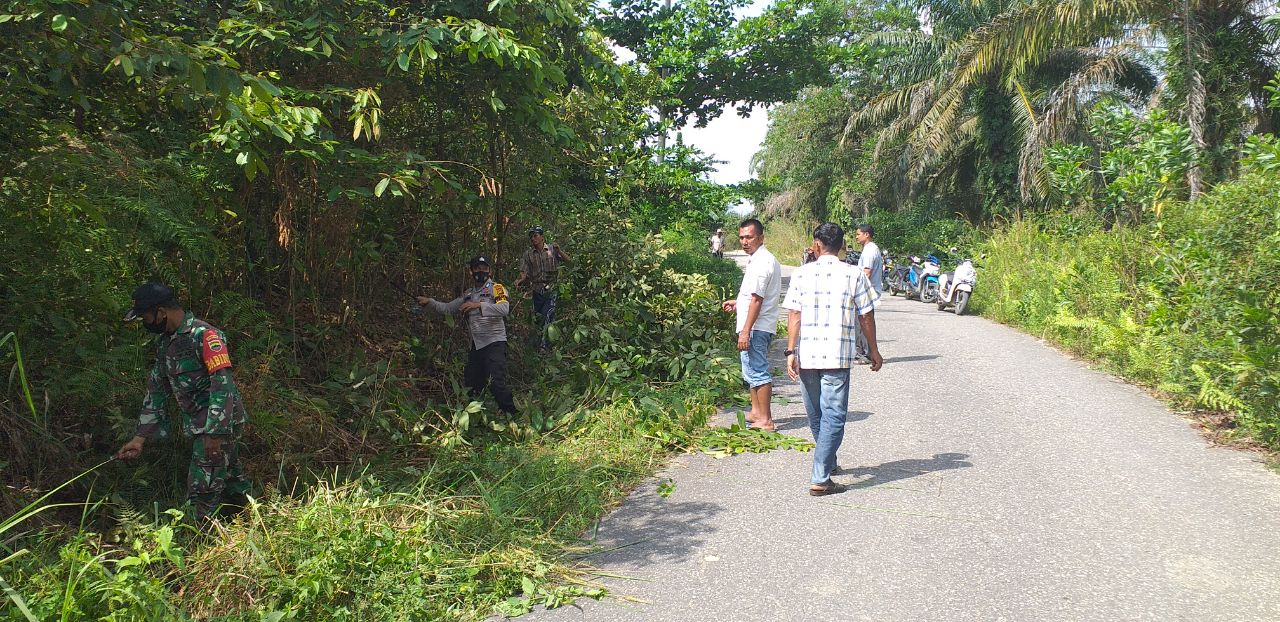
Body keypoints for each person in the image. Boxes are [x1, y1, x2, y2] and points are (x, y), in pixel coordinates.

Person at [115, 283, 251, 524]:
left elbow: (222, 385)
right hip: (200, 426)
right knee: (231, 480)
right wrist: (139, 438)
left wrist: (214, 433)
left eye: (146, 317)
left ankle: (196, 537)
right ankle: (253, 520)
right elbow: (157, 391)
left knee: (201, 491)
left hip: (218, 424)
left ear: (161, 312)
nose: (146, 322)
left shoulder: (205, 336)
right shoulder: (165, 345)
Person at [782, 223, 883, 496]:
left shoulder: (801, 274)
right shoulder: (853, 274)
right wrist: (873, 350)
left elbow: (794, 314)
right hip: (837, 356)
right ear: (842, 247)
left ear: (817, 245)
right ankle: (820, 477)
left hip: (808, 356)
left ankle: (827, 462)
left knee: (817, 415)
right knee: (834, 417)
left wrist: (790, 351)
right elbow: (866, 315)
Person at [418, 255, 518, 415]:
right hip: (476, 345)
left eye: (484, 268)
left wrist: (478, 305)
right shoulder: (468, 294)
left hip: (495, 342)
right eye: (477, 268)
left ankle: (511, 414)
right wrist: (430, 301)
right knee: (472, 383)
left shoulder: (497, 288)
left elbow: (504, 309)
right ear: (471, 271)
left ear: (490, 271)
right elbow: (448, 308)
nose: (481, 271)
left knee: (496, 382)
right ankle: (475, 416)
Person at [720, 218, 782, 431]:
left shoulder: (763, 262)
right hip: (757, 324)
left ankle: (765, 419)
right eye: (741, 237)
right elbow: (752, 297)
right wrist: (738, 304)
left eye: (749, 237)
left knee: (758, 371)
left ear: (761, 238)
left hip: (757, 327)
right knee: (750, 371)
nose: (744, 242)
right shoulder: (757, 259)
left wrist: (745, 331)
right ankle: (756, 412)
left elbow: (757, 299)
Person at [516, 226, 569, 352]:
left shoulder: (552, 249)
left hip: (551, 287)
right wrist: (520, 280)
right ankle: (537, 345)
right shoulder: (528, 254)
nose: (533, 238)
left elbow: (568, 261)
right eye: (531, 236)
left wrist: (560, 251)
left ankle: (544, 347)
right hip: (536, 289)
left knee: (547, 314)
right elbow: (524, 272)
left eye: (535, 235)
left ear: (542, 237)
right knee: (538, 317)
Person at [854, 224, 885, 364]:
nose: (856, 237)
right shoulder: (870, 249)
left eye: (858, 234)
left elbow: (867, 273)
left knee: (863, 322)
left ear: (866, 234)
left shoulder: (869, 251)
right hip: (867, 291)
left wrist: (855, 290)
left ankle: (865, 354)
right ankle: (865, 353)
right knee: (863, 321)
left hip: (866, 292)